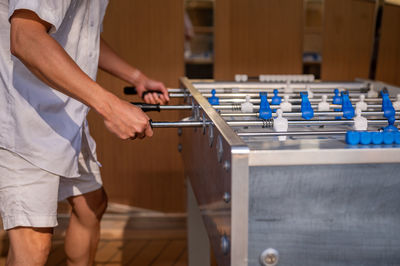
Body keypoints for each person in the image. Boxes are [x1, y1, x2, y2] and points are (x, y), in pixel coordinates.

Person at [0, 0, 169, 265]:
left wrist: (136, 77)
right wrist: (110, 106)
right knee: (33, 246)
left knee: (92, 205)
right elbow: (25, 37)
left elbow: (81, 36)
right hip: (21, 117)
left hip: (66, 112)